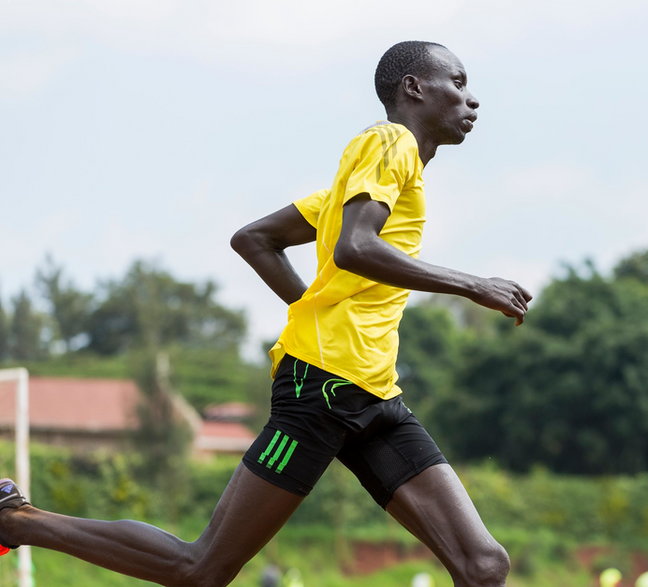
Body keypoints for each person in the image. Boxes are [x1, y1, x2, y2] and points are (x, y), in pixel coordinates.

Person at [0, 40, 531, 587]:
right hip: (322, 391)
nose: (472, 101)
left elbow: (255, 239)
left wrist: (312, 310)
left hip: (373, 392)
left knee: (483, 564)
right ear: (414, 88)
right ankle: (16, 521)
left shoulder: (369, 183)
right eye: (459, 83)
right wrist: (473, 285)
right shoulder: (388, 140)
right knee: (202, 568)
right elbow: (355, 247)